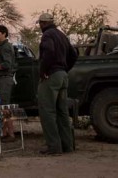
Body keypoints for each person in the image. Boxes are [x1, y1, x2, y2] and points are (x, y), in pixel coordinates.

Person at [37, 12, 76, 155]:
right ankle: (68, 145)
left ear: (43, 23)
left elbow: (49, 52)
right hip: (63, 75)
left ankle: (54, 147)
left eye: (40, 23)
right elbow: (74, 54)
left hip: (52, 76)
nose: (40, 26)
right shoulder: (61, 34)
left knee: (47, 111)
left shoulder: (47, 35)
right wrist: (65, 69)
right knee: (62, 112)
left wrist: (43, 71)